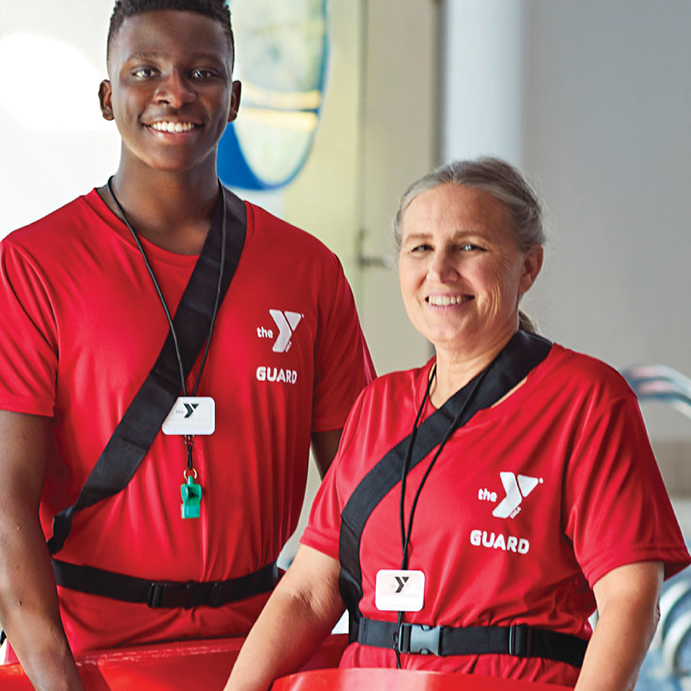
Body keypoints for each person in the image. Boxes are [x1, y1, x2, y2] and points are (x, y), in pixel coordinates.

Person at [0, 1, 374, 689]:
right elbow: (4, 501)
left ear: (232, 99)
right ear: (109, 96)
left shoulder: (308, 270)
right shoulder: (31, 264)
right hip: (86, 659)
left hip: (261, 658)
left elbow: (363, 496)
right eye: (145, 71)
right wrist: (58, 681)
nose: (175, 91)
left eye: (202, 72)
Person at [224, 157, 691, 691]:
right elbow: (308, 592)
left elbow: (630, 600)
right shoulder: (379, 403)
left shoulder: (585, 400)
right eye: (420, 247)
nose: (440, 271)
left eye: (469, 247)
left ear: (528, 266)